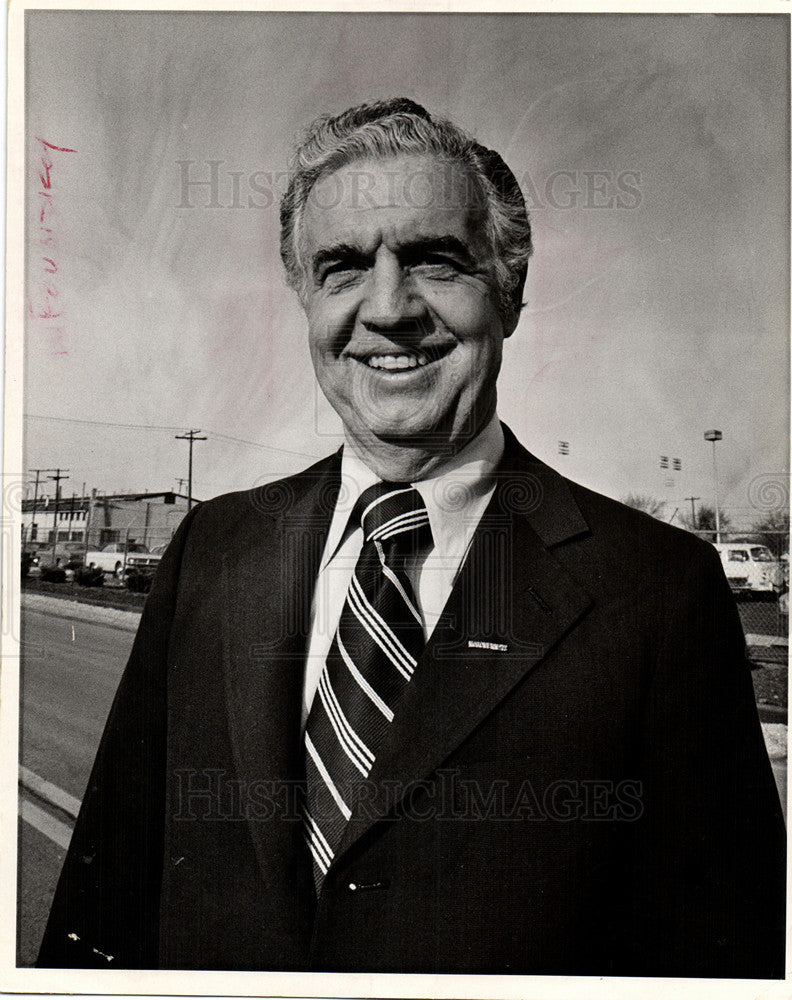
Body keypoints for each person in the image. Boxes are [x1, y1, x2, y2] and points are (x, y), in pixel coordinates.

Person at [38, 98, 785, 977]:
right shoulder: (213, 550)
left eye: (434, 259)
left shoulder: (658, 589)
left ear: (509, 291)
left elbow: (724, 961)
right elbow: (105, 911)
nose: (389, 309)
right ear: (306, 301)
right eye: (343, 267)